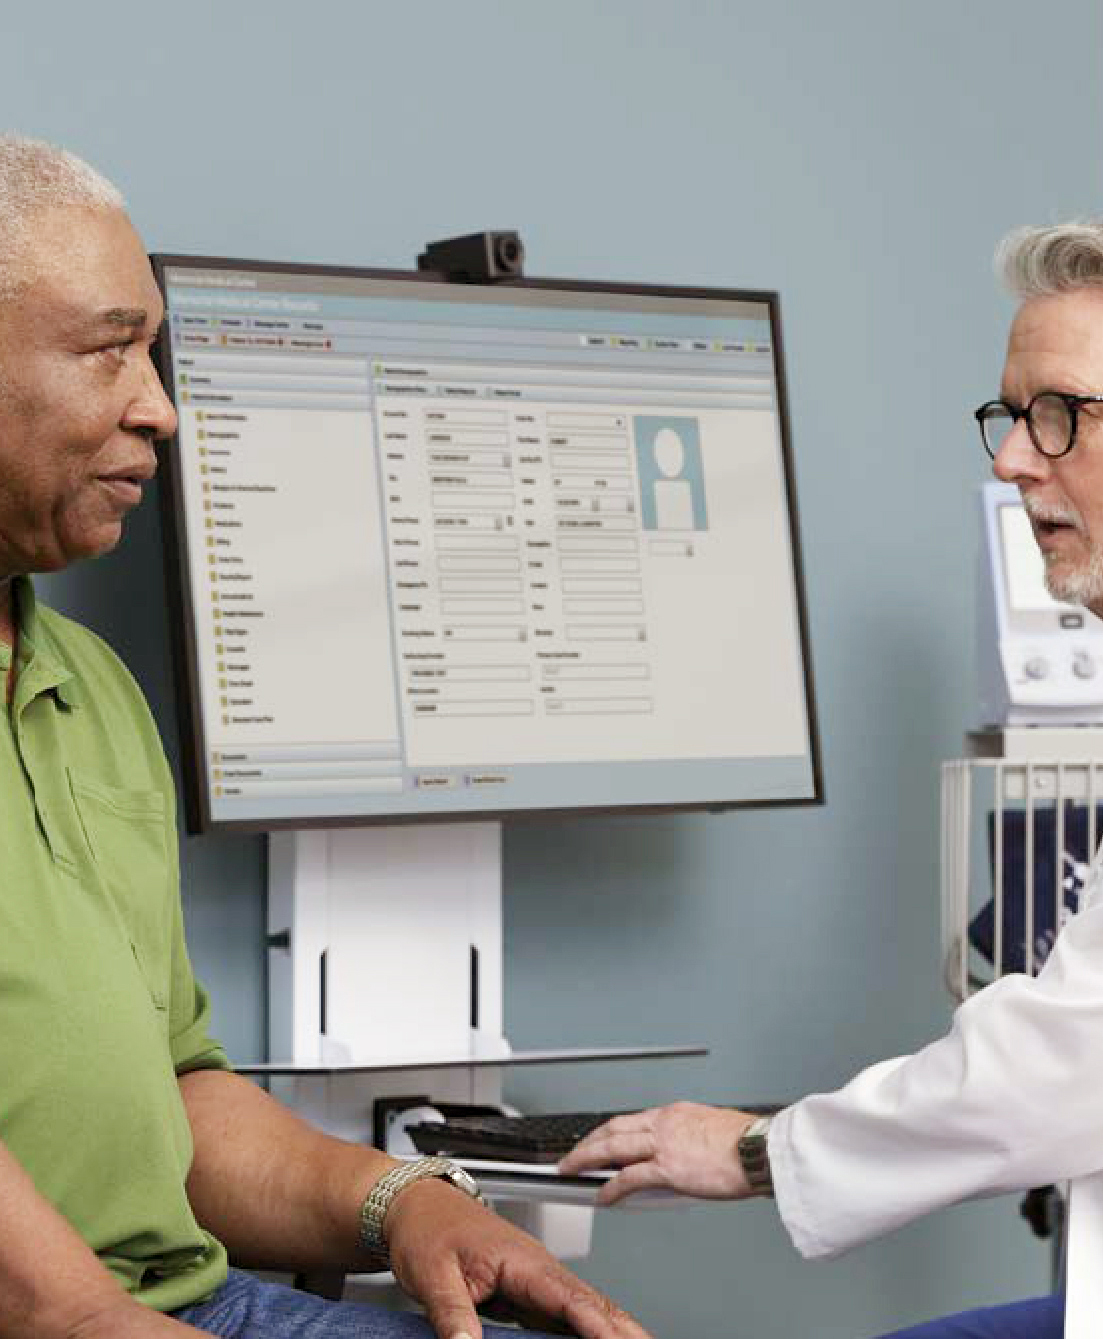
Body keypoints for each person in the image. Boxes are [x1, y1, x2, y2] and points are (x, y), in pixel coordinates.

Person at [562, 209, 1103, 1339]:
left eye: (1065, 416)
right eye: (1013, 415)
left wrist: (753, 1150)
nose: (1012, 456)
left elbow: (1086, 1061)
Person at [0, 133, 651, 1339]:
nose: (163, 409)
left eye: (155, 350)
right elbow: (52, 1307)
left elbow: (178, 1094)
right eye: (108, 350)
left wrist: (404, 1202)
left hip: (190, 1299)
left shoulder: (87, 685)